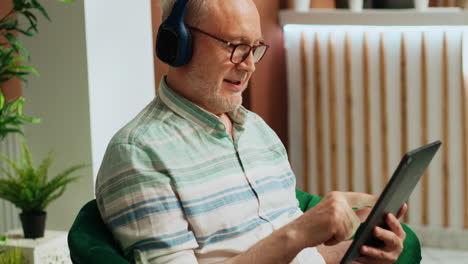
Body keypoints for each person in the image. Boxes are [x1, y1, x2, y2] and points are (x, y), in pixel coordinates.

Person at [95, 0, 410, 263]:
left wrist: (359, 250)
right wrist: (299, 231)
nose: (249, 65)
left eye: (255, 48)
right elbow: (291, 242)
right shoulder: (138, 153)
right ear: (178, 43)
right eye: (235, 46)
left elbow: (299, 257)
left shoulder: (258, 132)